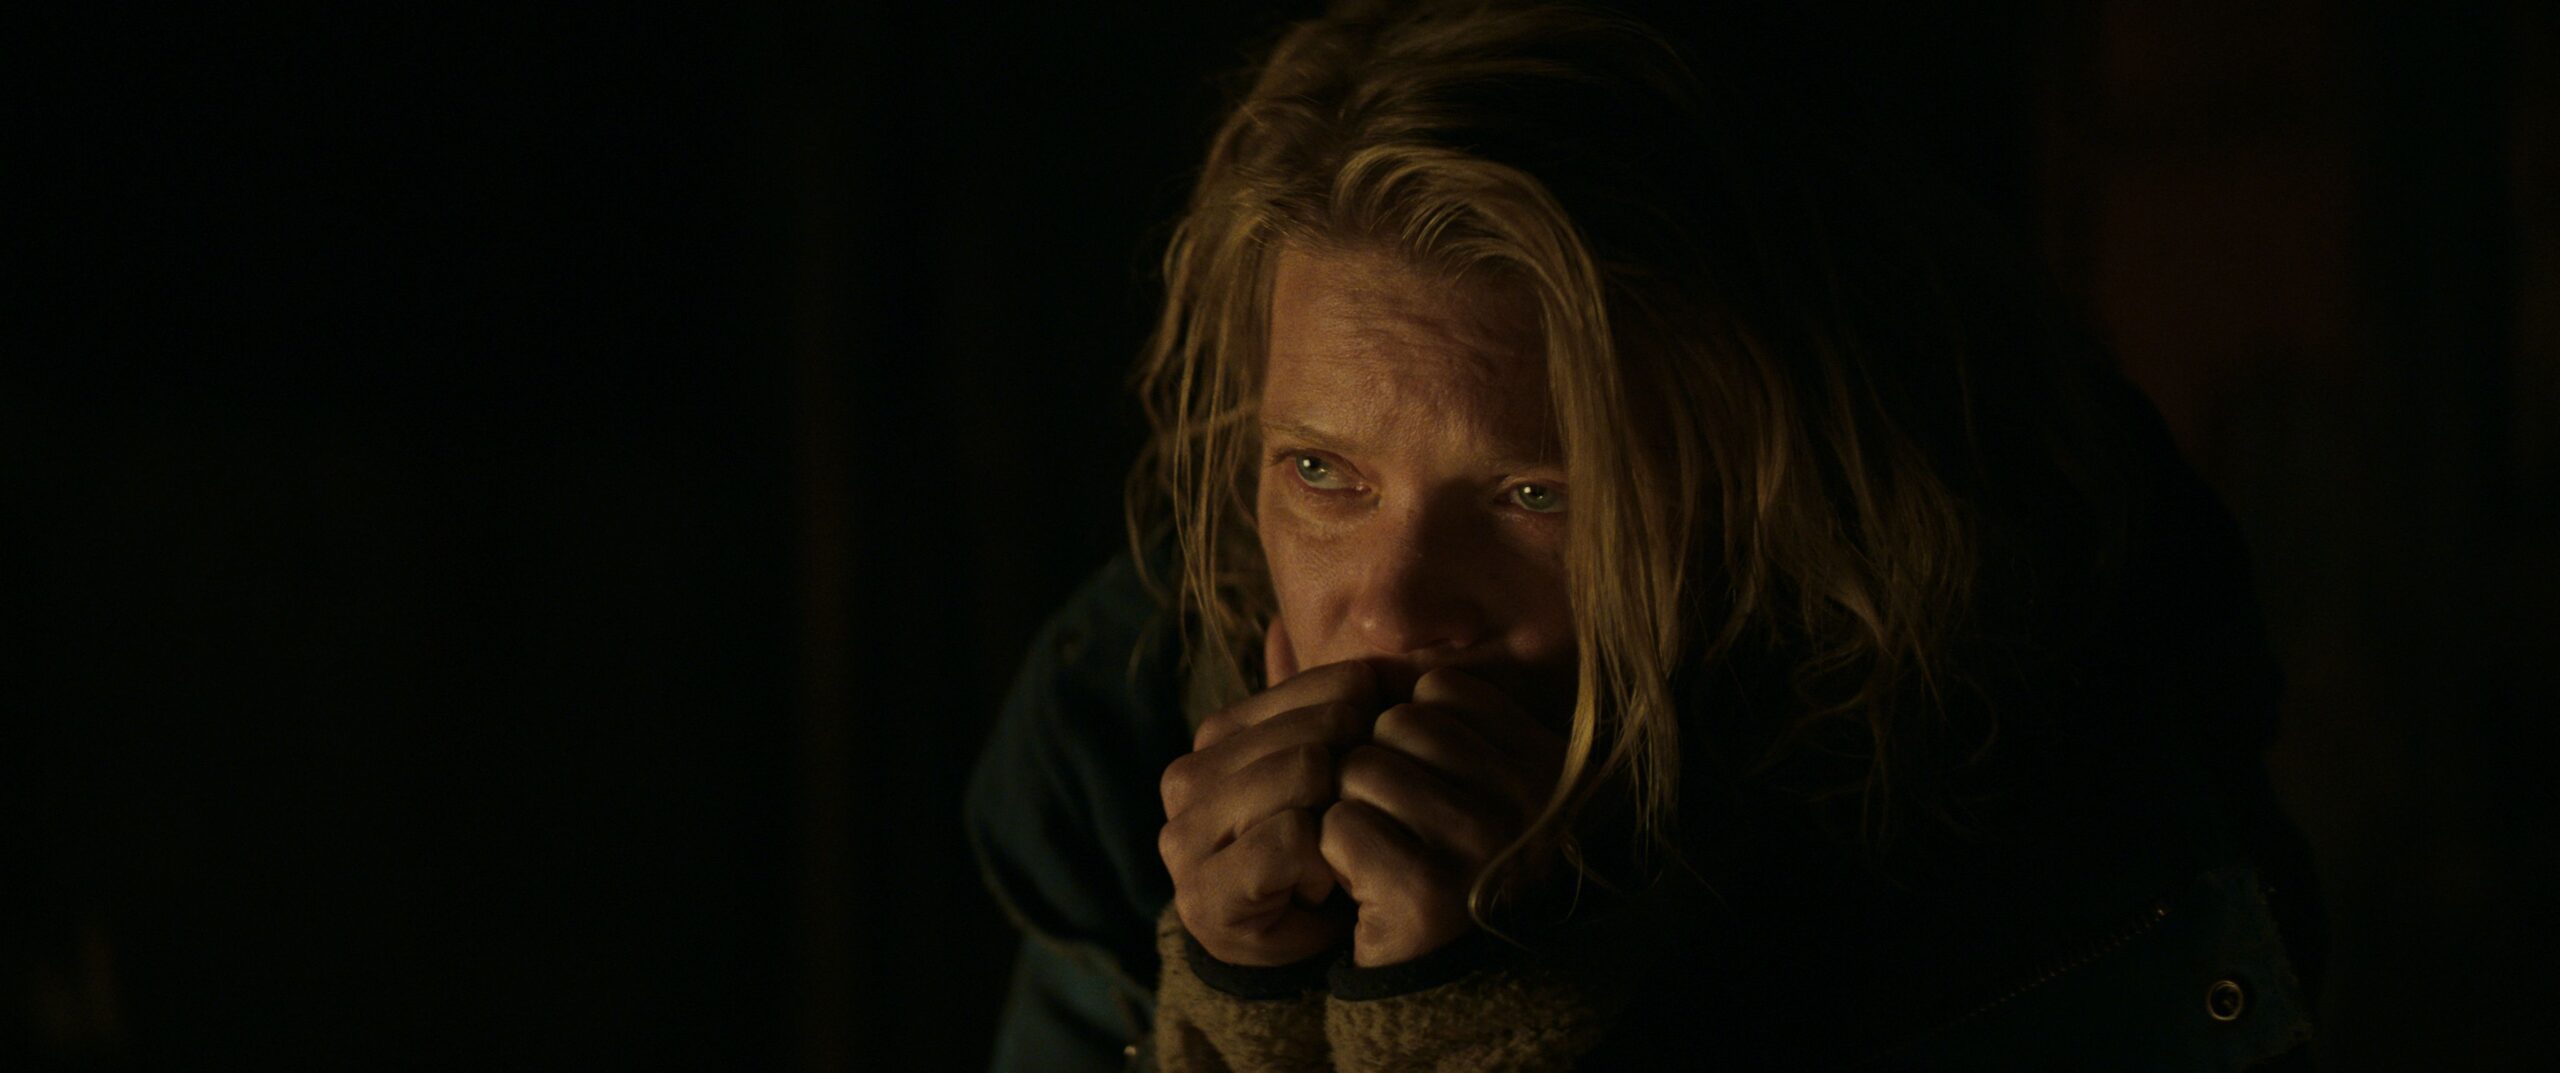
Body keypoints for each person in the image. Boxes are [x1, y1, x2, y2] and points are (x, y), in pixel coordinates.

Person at [967, 1, 2324, 1069]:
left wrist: (1497, 1018)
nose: (1391, 611)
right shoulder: (1125, 747)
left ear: (1767, 499)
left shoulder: (2031, 817)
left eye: (1537, 495)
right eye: (1325, 474)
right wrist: (1241, 1008)